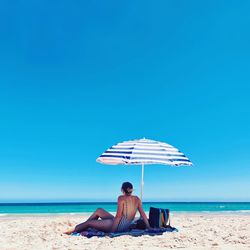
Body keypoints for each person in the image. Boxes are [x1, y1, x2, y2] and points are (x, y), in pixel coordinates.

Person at [64, 182, 151, 234]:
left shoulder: (121, 198)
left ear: (122, 190)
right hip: (124, 225)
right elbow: (143, 214)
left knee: (89, 223)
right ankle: (83, 226)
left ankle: (69, 231)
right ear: (131, 190)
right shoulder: (137, 199)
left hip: (117, 226)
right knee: (99, 210)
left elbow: (118, 217)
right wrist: (148, 227)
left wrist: (112, 232)